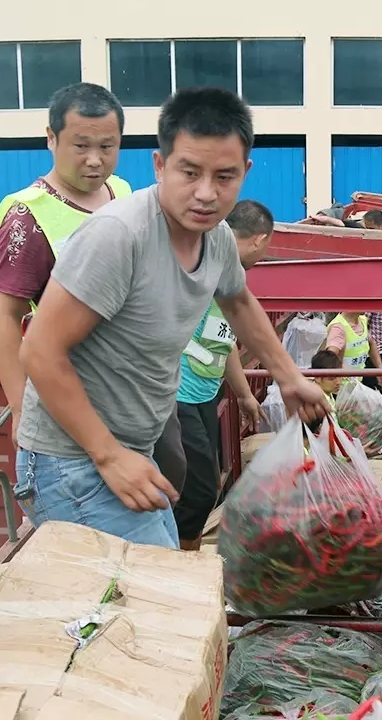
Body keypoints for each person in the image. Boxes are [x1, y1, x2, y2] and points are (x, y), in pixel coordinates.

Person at [15, 87, 329, 549]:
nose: (206, 193)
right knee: (154, 602)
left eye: (224, 176)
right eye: (189, 172)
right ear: (160, 166)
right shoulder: (120, 236)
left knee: (169, 577)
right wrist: (108, 456)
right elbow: (38, 351)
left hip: (133, 449)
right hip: (71, 460)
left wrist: (288, 377)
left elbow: (239, 302)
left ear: (245, 172)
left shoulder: (218, 238)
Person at [0, 83, 132, 448]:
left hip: (133, 387)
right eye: (81, 145)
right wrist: (20, 407)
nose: (95, 159)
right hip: (73, 390)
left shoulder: (122, 191)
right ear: (51, 138)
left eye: (107, 146)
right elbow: (5, 316)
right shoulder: (28, 216)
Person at [164, 199, 275, 551]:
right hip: (177, 394)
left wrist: (243, 394)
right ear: (259, 240)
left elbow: (223, 344)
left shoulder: (228, 280)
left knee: (203, 484)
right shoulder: (201, 266)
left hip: (204, 395)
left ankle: (185, 557)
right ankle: (180, 565)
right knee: (199, 490)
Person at [325, 312, 382, 390]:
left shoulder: (362, 320)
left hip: (356, 384)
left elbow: (371, 343)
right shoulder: (338, 328)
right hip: (342, 389)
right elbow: (329, 357)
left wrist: (380, 370)